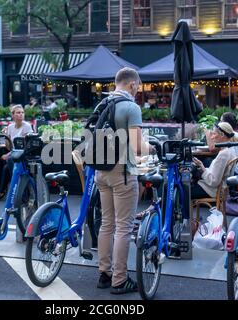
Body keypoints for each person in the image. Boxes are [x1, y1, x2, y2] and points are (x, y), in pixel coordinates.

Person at [94, 67, 154, 294]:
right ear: (131, 84)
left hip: (101, 171)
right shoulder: (130, 107)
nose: (138, 90)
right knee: (124, 227)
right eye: (137, 87)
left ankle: (104, 273)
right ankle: (120, 280)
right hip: (123, 172)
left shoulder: (101, 104)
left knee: (106, 223)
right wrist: (153, 146)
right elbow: (137, 146)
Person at [0, 105, 33, 199]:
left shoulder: (27, 127)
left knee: (8, 160)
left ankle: (17, 188)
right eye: (18, 113)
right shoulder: (10, 127)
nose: (21, 114)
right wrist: (6, 136)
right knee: (4, 166)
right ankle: (1, 191)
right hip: (14, 155)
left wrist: (8, 154)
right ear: (13, 115)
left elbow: (25, 147)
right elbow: (9, 147)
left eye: (22, 112)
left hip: (25, 155)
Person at [192, 122, 238, 200]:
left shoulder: (224, 154)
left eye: (214, 134)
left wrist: (202, 166)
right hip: (218, 189)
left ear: (222, 135)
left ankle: (182, 211)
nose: (212, 137)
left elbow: (213, 181)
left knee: (184, 190)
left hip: (212, 191)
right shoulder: (230, 149)